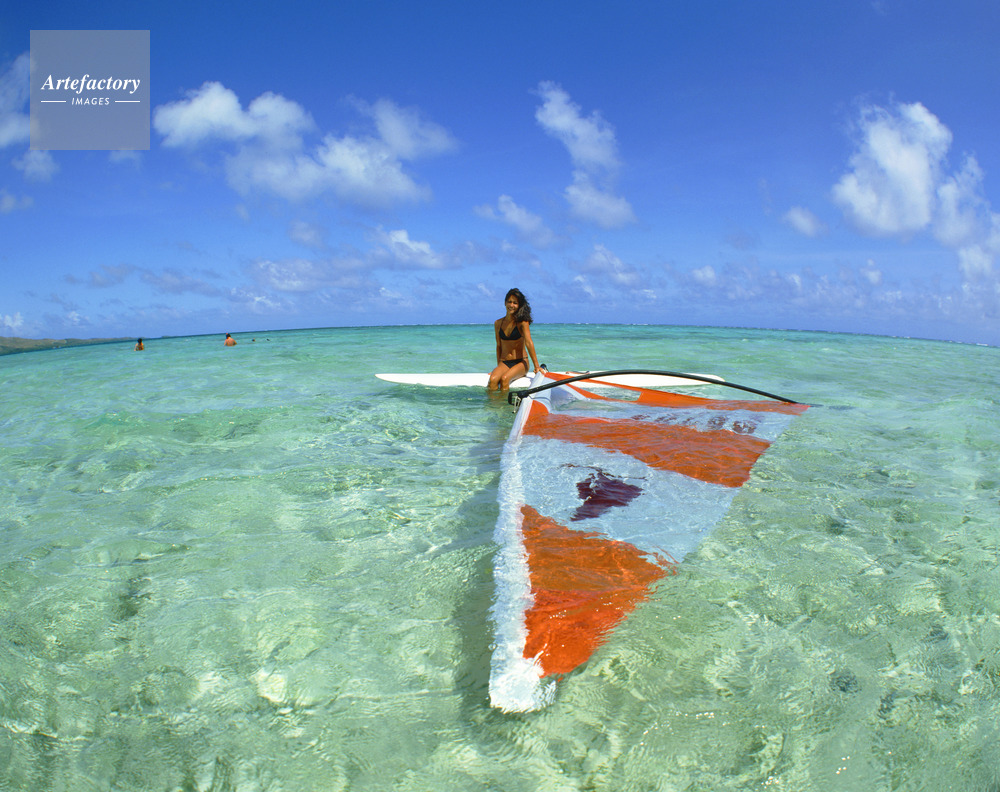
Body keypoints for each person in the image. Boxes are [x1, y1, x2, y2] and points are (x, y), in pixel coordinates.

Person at [488, 288, 540, 391]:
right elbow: (499, 346)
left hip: (521, 362)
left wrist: (536, 366)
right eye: (509, 302)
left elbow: (529, 343)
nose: (511, 305)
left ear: (519, 305)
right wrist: (498, 368)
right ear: (505, 303)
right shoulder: (498, 323)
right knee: (493, 380)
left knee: (504, 379)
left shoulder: (522, 322)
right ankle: (493, 402)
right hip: (505, 362)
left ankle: (504, 402)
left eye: (515, 303)